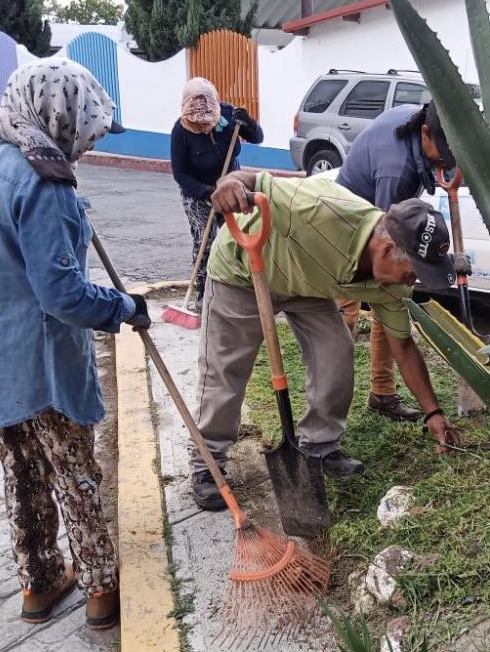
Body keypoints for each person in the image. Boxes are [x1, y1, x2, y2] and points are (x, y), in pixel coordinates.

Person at [0, 59, 151, 630]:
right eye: (86, 128)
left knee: (20, 466)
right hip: (39, 354)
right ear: (62, 113)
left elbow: (1, 244)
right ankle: (100, 589)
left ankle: (38, 581)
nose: (86, 143)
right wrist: (125, 308)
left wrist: (69, 216)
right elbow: (63, 296)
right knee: (73, 469)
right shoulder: (40, 177)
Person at [188, 169, 461, 510]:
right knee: (225, 369)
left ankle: (320, 445)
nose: (412, 282)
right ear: (388, 248)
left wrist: (433, 412)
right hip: (244, 272)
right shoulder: (318, 207)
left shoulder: (392, 282)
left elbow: (402, 345)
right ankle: (207, 464)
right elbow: (251, 180)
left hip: (308, 283)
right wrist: (229, 184)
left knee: (336, 351)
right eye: (412, 274)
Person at [334, 102, 458, 422]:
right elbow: (389, 235)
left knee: (389, 306)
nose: (443, 160)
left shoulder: (418, 120)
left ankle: (382, 394)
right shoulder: (396, 169)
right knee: (348, 316)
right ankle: (332, 406)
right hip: (346, 231)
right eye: (441, 152)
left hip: (375, 218)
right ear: (425, 133)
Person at [170, 77, 264, 310]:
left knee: (240, 239)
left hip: (231, 187)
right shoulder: (180, 132)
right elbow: (180, 174)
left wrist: (249, 124)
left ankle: (239, 289)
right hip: (199, 194)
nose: (202, 128)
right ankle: (203, 293)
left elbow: (257, 137)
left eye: (206, 124)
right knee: (206, 243)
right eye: (196, 125)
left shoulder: (230, 116)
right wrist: (207, 192)